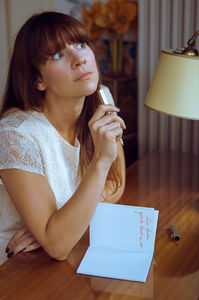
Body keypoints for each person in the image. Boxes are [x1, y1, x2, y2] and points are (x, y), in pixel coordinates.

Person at [0, 11, 126, 265]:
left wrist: (61, 223)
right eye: (58, 54)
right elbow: (58, 247)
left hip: (71, 247)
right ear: (38, 80)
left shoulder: (101, 102)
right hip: (18, 267)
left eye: (81, 44)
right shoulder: (16, 134)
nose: (80, 58)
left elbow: (117, 184)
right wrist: (101, 160)